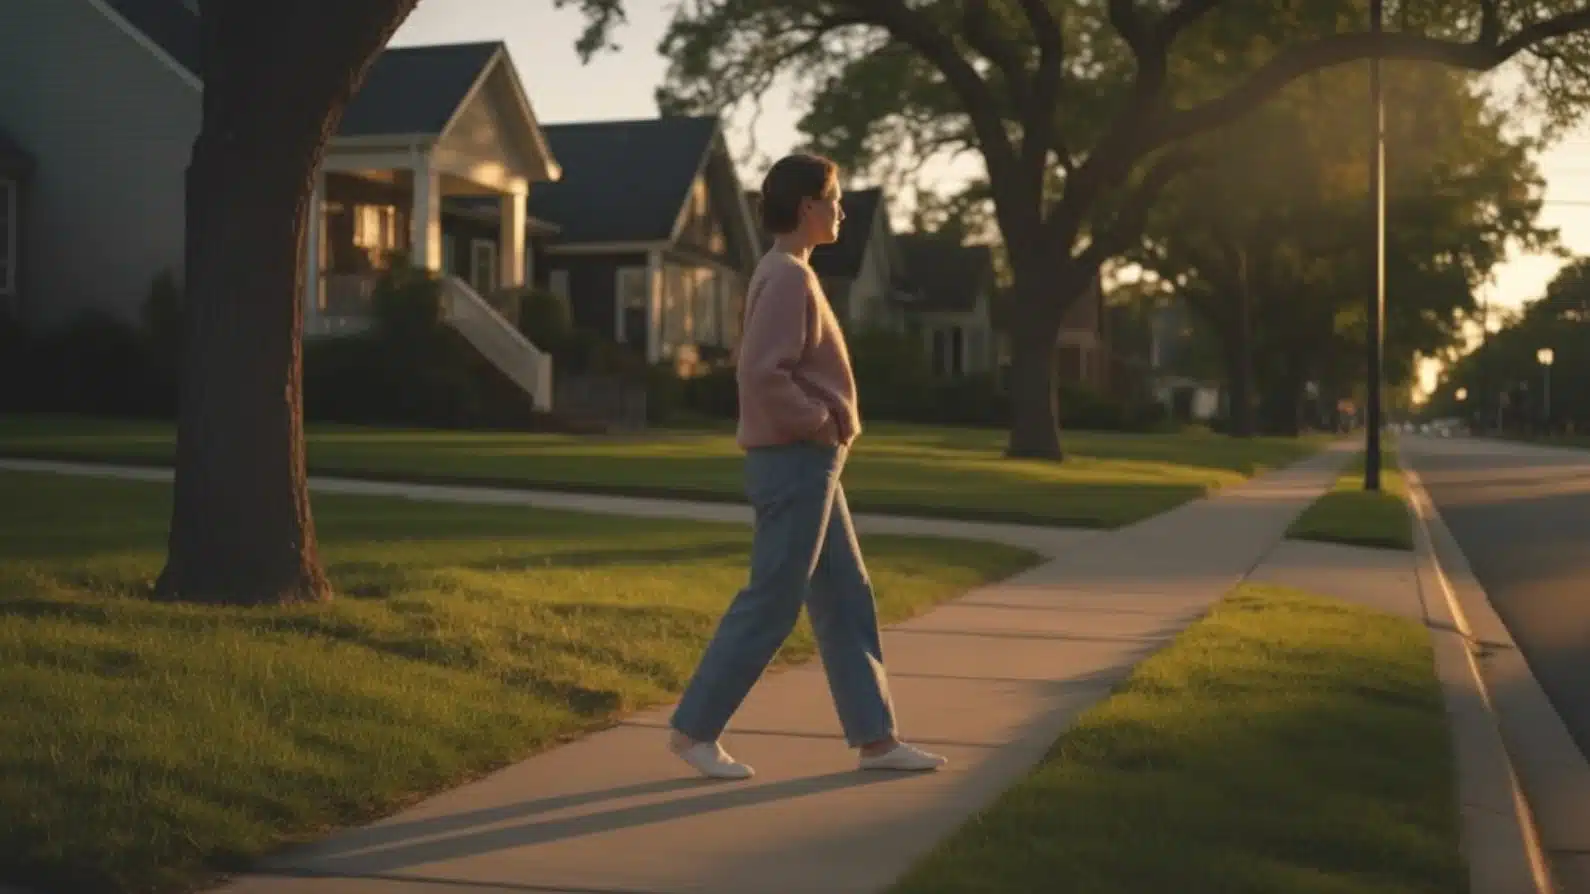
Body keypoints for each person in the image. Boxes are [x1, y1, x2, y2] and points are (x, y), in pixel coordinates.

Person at [666, 153, 948, 779]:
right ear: (807, 208)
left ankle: (876, 740)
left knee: (846, 597)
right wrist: (819, 422)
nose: (842, 209)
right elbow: (761, 372)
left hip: (811, 461)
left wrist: (823, 433)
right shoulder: (788, 276)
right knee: (773, 597)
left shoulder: (789, 272)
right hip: (796, 459)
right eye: (835, 198)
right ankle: (695, 729)